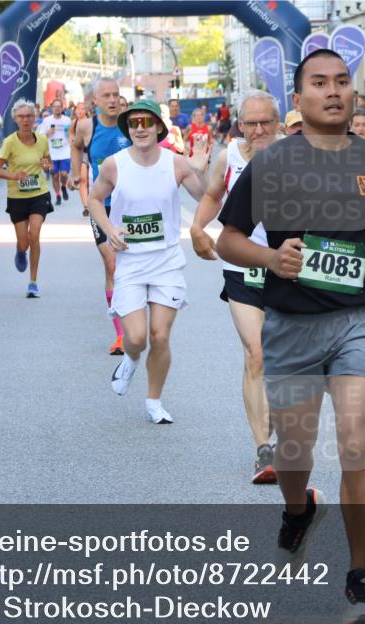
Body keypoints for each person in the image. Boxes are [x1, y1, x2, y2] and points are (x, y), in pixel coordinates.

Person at [217, 49, 365, 624]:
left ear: (353, 94)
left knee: (357, 444)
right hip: (291, 326)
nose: (333, 91)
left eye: (342, 82)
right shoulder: (273, 162)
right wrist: (270, 257)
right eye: (319, 83)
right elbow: (228, 238)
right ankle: (299, 508)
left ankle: (360, 580)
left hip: (358, 318)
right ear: (299, 99)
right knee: (293, 456)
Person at [89, 100, 209, 424]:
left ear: (158, 127)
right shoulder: (114, 165)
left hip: (166, 261)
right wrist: (110, 228)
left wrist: (200, 167)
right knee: (138, 338)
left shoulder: (176, 163)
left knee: (159, 336)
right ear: (128, 129)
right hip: (130, 262)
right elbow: (94, 199)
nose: (139, 127)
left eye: (146, 121)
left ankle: (154, 400)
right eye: (134, 123)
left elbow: (207, 197)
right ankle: (130, 359)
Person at [189, 90, 283, 483]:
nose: (259, 130)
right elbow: (213, 195)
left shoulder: (295, 154)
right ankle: (263, 450)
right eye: (251, 123)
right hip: (242, 266)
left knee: (285, 360)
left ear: (277, 122)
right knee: (256, 353)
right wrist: (197, 228)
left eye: (266, 122)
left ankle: (274, 413)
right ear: (239, 124)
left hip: (288, 266)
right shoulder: (231, 157)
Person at [71, 77, 132, 355]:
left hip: (132, 205)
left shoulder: (130, 124)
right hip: (102, 204)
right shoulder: (87, 126)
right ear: (94, 100)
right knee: (112, 264)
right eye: (106, 95)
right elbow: (76, 145)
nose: (112, 100)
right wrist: (75, 172)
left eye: (116, 94)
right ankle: (120, 334)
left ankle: (135, 316)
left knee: (131, 264)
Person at [0, 99, 54, 298]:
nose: (26, 120)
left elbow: (48, 164)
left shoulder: (42, 140)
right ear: (15, 119)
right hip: (17, 197)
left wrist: (47, 166)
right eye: (21, 116)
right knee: (24, 242)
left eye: (29, 116)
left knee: (34, 235)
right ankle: (20, 251)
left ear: (34, 118)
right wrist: (13, 175)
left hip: (39, 194)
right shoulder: (10, 142)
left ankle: (33, 282)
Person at [40, 99, 72, 205]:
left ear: (62, 108)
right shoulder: (47, 121)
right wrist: (48, 133)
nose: (57, 108)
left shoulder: (67, 120)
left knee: (63, 174)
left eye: (59, 106)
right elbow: (40, 136)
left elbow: (71, 134)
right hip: (51, 153)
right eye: (55, 106)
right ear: (51, 108)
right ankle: (58, 195)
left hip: (65, 151)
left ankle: (63, 186)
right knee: (55, 176)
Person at [70, 101, 91, 216]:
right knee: (83, 180)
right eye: (78, 109)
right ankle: (86, 206)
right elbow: (71, 137)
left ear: (86, 110)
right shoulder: (74, 122)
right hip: (81, 154)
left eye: (83, 109)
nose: (80, 111)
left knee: (90, 181)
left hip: (91, 153)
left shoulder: (91, 122)